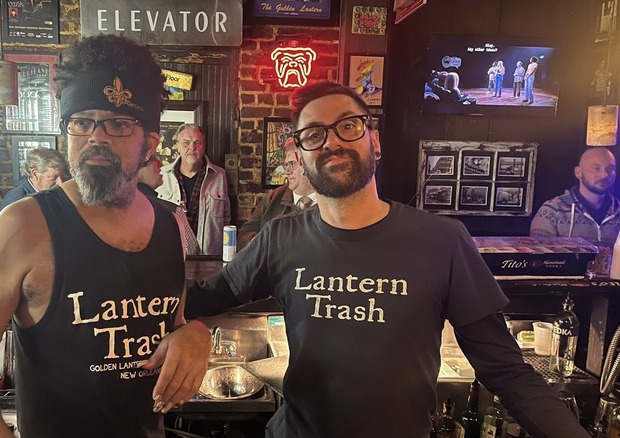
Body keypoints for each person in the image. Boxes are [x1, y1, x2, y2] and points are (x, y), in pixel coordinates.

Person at [185, 81, 590, 437]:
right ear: (302, 156)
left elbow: (507, 370)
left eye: (347, 126)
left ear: (374, 140)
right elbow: (203, 298)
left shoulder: (441, 240)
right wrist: (187, 326)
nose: (332, 142)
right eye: (313, 133)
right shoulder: (281, 237)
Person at [0, 34, 211, 438]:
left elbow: (168, 327)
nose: (96, 137)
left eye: (119, 124)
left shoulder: (170, 224)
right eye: (81, 121)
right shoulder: (24, 225)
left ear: (150, 144)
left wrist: (196, 335)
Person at [156, 123, 231, 255]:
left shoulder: (219, 175)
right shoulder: (162, 175)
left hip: (209, 258)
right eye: (186, 143)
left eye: (198, 142)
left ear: (204, 146)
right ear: (177, 146)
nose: (192, 147)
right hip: (171, 256)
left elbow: (226, 218)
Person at [530, 147, 620, 245]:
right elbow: (538, 256)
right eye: (596, 168)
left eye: (610, 169)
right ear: (578, 173)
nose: (604, 175)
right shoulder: (552, 210)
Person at [238, 139, 315, 250]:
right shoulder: (273, 198)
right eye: (285, 165)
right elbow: (244, 235)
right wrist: (261, 247)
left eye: (292, 164)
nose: (286, 172)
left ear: (308, 165)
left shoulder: (330, 200)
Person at [138, 153, 200, 255]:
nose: (161, 164)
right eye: (154, 160)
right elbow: (192, 251)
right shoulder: (174, 211)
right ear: (138, 171)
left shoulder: (115, 210)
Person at [0, 148, 68, 212]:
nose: (61, 183)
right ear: (35, 174)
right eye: (54, 177)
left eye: (62, 176)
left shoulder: (53, 194)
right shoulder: (15, 201)